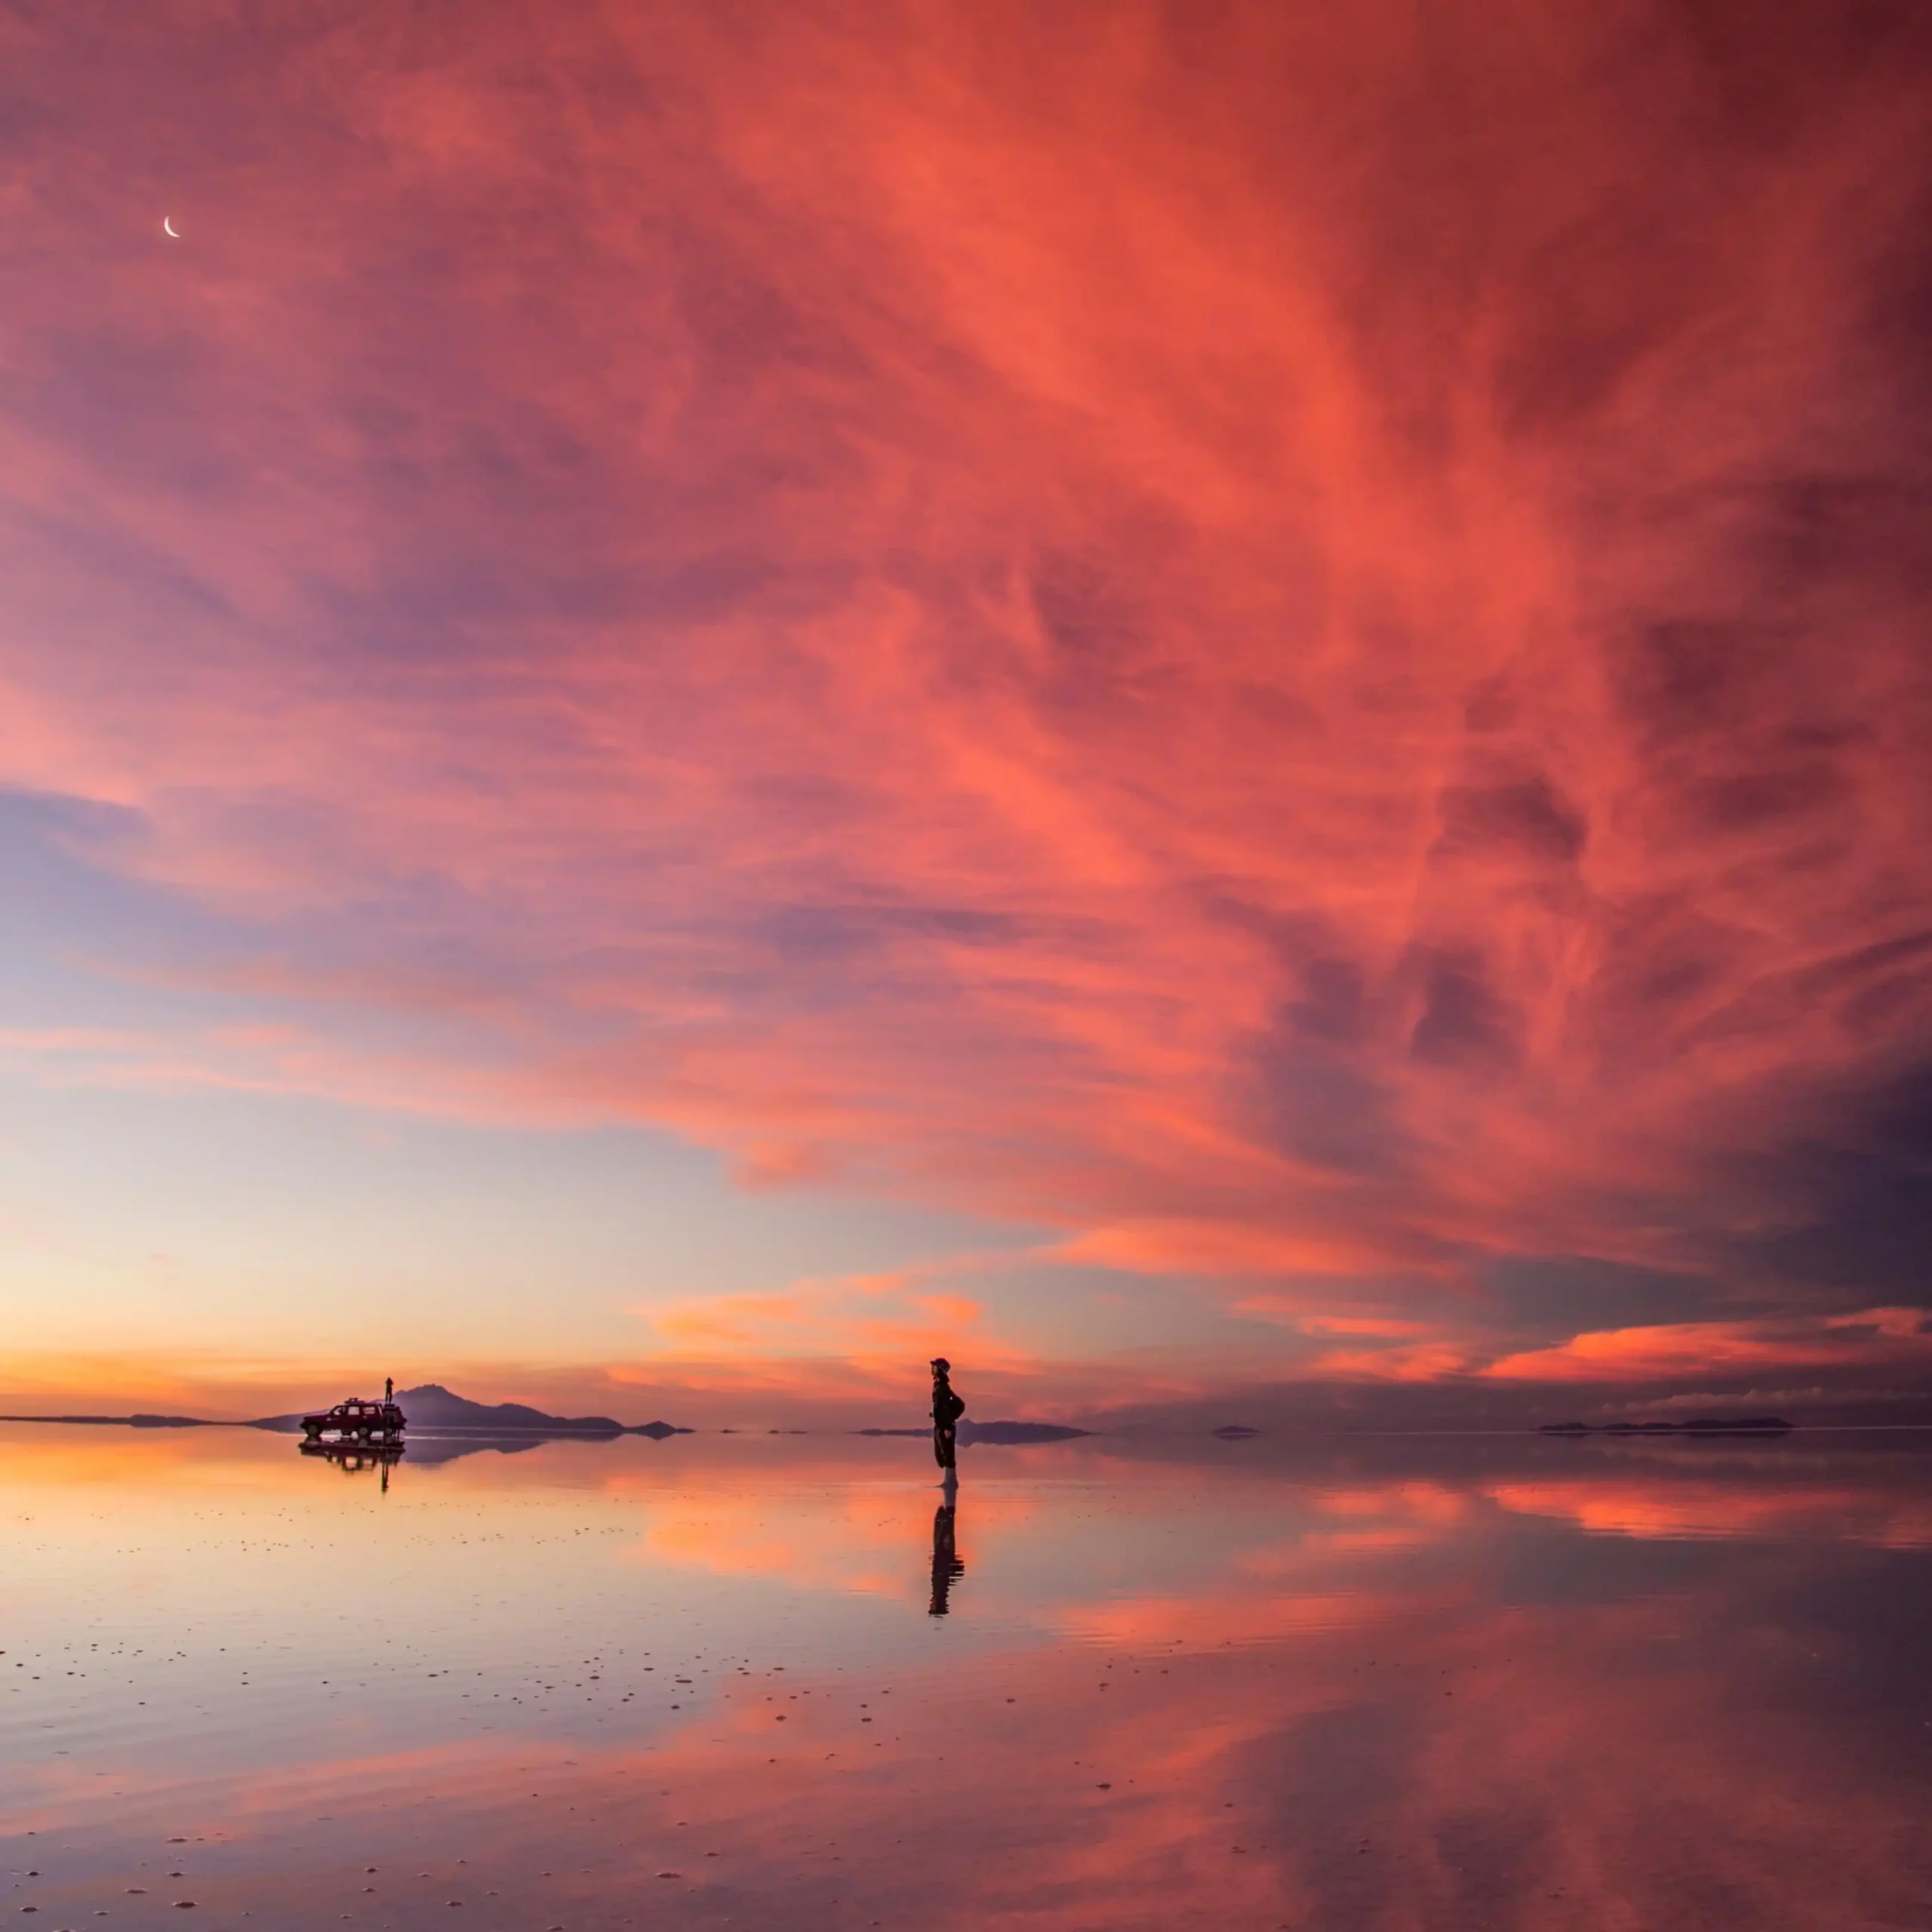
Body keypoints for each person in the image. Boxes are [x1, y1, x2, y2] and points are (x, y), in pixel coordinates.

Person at [931, 1357, 964, 1471]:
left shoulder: (944, 1388)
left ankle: (951, 1483)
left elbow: (949, 1407)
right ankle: (948, 1482)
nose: (932, 1369)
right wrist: (935, 1414)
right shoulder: (937, 1385)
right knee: (939, 1455)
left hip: (946, 1427)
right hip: (939, 1425)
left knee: (948, 1456)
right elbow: (940, 1406)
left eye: (934, 1367)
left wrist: (949, 1426)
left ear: (940, 1370)